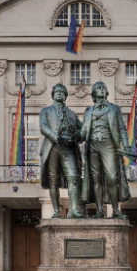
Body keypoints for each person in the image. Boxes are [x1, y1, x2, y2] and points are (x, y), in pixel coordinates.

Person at [80, 81, 136, 218]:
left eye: (103, 88)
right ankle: (99, 210)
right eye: (98, 88)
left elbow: (122, 129)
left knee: (112, 177)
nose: (101, 90)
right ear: (93, 93)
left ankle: (115, 210)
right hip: (92, 146)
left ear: (106, 92)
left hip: (109, 144)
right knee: (96, 179)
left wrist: (126, 147)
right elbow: (83, 131)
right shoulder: (89, 111)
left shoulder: (114, 109)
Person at [39, 83, 84, 218]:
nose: (59, 93)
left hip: (68, 148)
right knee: (53, 180)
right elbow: (43, 127)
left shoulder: (71, 114)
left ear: (65, 95)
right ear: (53, 95)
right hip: (52, 147)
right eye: (56, 91)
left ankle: (74, 209)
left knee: (74, 177)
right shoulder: (46, 111)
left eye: (62, 92)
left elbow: (82, 131)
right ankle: (56, 211)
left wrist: (77, 135)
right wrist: (55, 136)